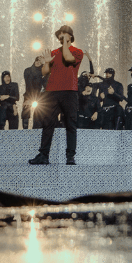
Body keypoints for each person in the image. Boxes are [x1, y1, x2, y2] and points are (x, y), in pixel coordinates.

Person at [29, 25, 83, 165]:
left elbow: (68, 58)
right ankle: (43, 155)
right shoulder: (54, 52)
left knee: (70, 124)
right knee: (48, 123)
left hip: (69, 91)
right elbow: (44, 72)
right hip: (52, 91)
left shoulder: (77, 52)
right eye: (60, 34)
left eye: (64, 33)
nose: (61, 36)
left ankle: (70, 156)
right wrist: (47, 62)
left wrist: (64, 44)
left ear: (70, 36)